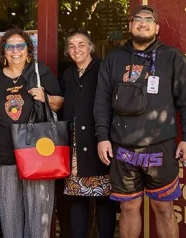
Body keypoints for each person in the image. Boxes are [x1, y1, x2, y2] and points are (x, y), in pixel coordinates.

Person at [94, 5, 186, 238]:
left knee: (163, 209)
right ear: (130, 25)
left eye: (149, 19)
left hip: (161, 146)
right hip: (122, 148)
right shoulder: (113, 60)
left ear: (157, 27)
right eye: (138, 19)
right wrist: (102, 138)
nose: (143, 23)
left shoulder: (172, 58)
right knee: (128, 207)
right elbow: (101, 103)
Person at [0, 28, 64, 238]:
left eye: (20, 46)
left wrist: (45, 97)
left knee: (38, 212)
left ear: (28, 50)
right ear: (3, 52)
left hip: (37, 153)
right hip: (4, 152)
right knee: (9, 215)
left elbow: (59, 103)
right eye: (10, 46)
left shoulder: (39, 72)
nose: (15, 51)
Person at [60, 29, 117, 238]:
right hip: (75, 147)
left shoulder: (103, 69)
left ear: (90, 47)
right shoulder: (68, 74)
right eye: (72, 46)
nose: (77, 49)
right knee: (77, 201)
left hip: (99, 143)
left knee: (104, 201)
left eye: (81, 44)